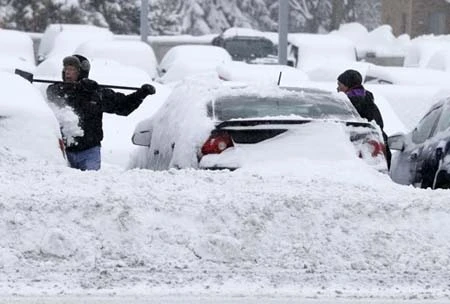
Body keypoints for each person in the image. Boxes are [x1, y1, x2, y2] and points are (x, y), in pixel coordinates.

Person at [47, 54, 155, 171]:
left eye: (72, 69)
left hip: (90, 153)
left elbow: (124, 106)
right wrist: (77, 89)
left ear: (82, 72)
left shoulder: (96, 94)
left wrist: (141, 94)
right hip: (64, 152)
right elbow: (49, 92)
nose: (68, 73)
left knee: (89, 184)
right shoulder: (58, 91)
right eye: (66, 69)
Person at [337, 69, 391, 169]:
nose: (338, 88)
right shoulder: (368, 101)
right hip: (379, 146)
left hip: (363, 149)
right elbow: (379, 124)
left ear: (348, 85)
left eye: (340, 85)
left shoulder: (348, 103)